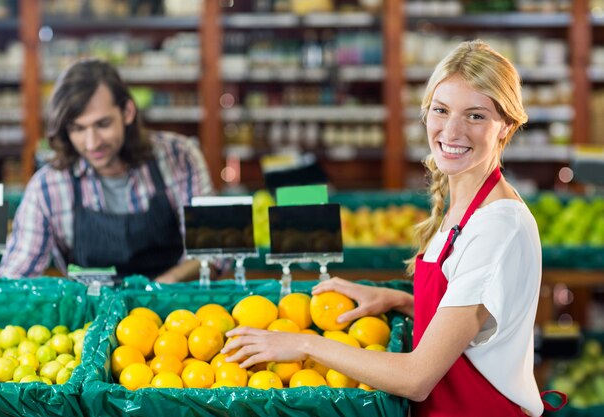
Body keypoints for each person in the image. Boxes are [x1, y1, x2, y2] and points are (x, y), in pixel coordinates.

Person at [223, 40, 564, 416]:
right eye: (441, 110)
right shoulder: (468, 205)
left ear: (506, 126)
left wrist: (303, 344)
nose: (451, 131)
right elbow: (472, 327)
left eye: (475, 116)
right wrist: (398, 300)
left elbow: (417, 379)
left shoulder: (498, 226)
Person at [0, 59, 214, 282]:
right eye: (78, 128)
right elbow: (16, 274)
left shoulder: (180, 157)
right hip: (90, 314)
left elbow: (213, 250)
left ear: (127, 112)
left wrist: (159, 289)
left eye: (102, 125)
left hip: (175, 312)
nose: (92, 143)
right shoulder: (48, 186)